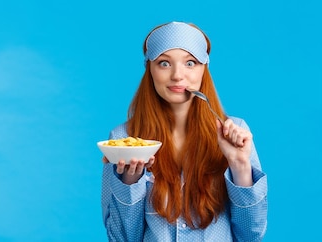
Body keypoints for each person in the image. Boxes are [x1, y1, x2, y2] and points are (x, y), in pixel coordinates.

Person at [100, 21, 268, 241]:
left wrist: (240, 165)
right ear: (149, 68)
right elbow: (122, 238)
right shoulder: (123, 140)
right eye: (164, 63)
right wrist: (130, 182)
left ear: (204, 69)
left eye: (190, 63)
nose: (178, 75)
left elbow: (251, 235)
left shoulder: (236, 135)